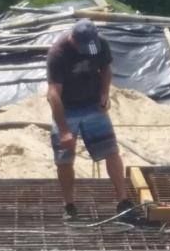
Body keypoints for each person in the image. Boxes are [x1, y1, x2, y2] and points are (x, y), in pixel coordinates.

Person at [46, 19, 134, 221]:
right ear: (73, 40)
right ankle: (69, 205)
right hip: (67, 108)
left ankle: (123, 200)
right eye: (84, 47)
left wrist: (104, 93)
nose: (88, 50)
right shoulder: (58, 54)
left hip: (93, 105)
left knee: (111, 151)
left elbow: (105, 69)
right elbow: (53, 94)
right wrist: (64, 129)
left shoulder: (99, 44)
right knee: (65, 159)